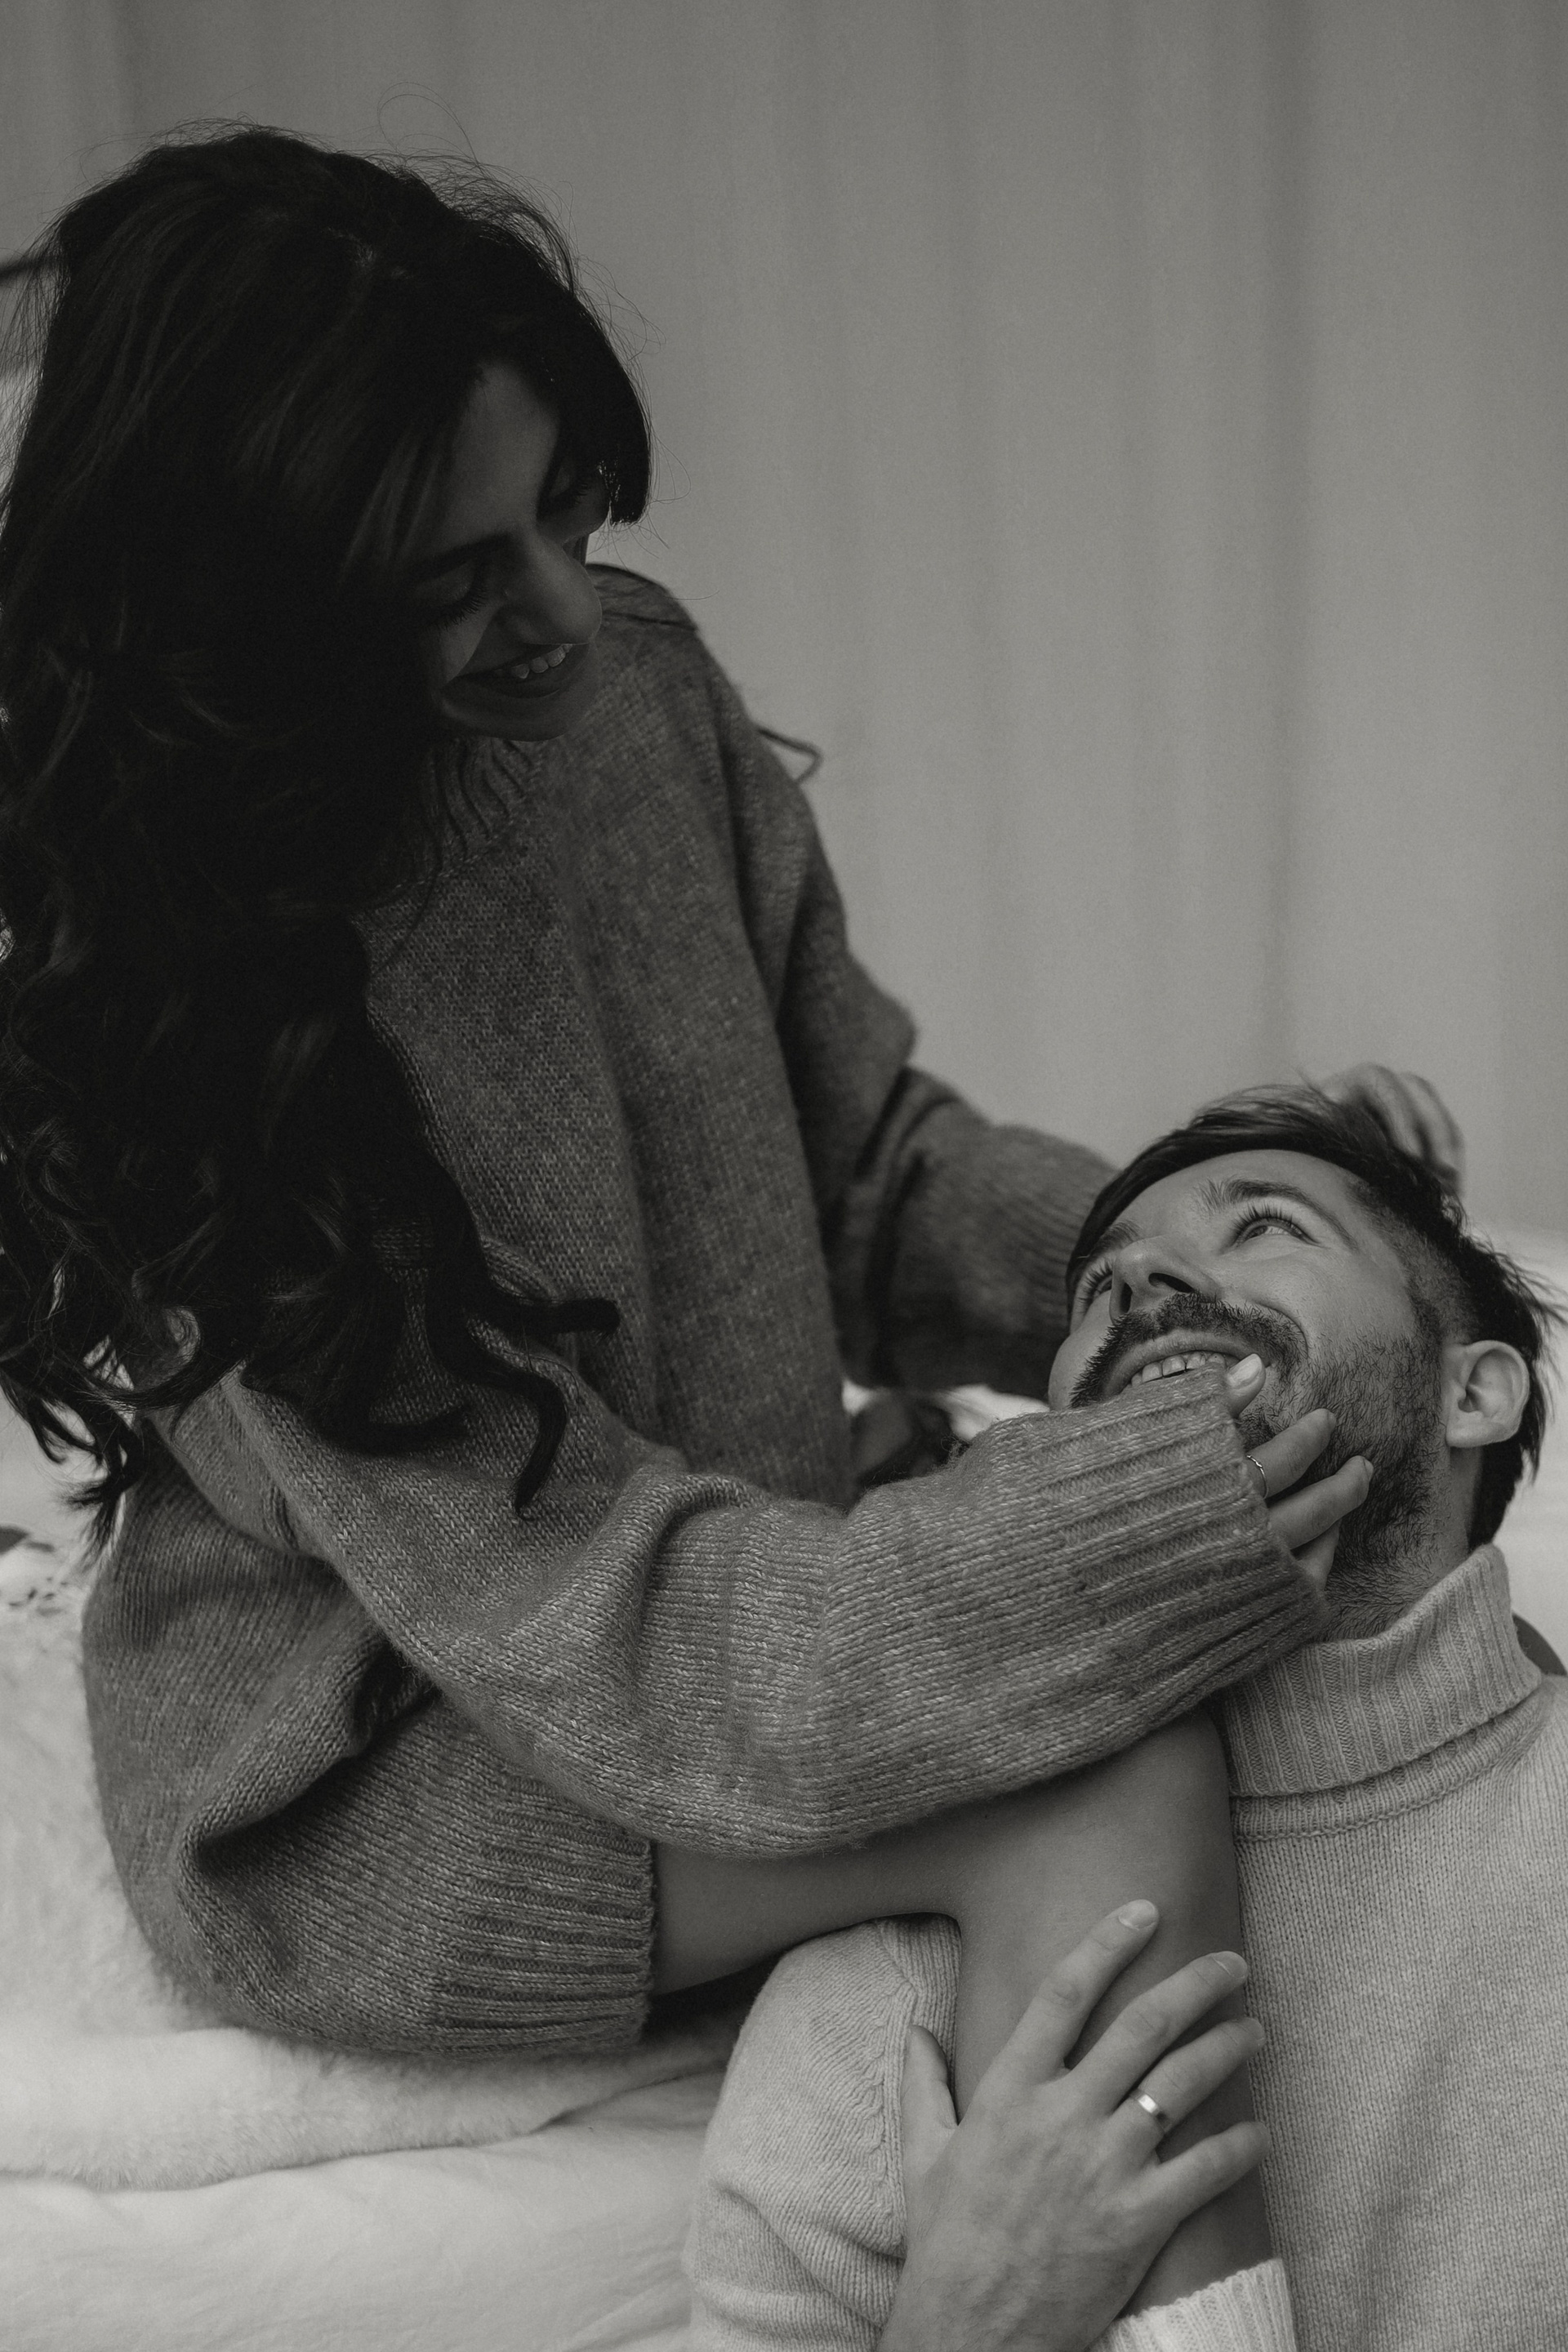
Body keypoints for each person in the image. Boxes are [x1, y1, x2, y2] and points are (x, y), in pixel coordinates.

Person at [0, 123, 1447, 2317]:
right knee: (1106, 1769)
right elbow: (624, 1637)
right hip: (392, 1768)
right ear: (261, 624)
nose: (563, 613)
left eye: (566, 507)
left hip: (715, 1589)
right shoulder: (206, 1040)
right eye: (453, 576)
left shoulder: (634, 695)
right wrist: (1123, 1532)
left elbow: (867, 1175)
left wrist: (1188, 1278)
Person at [685, 1089, 1568, 2352]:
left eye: (1264, 1226)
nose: (1143, 1281)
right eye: (1101, 1286)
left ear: (1473, 1391)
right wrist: (962, 2324)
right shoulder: (913, 1951)